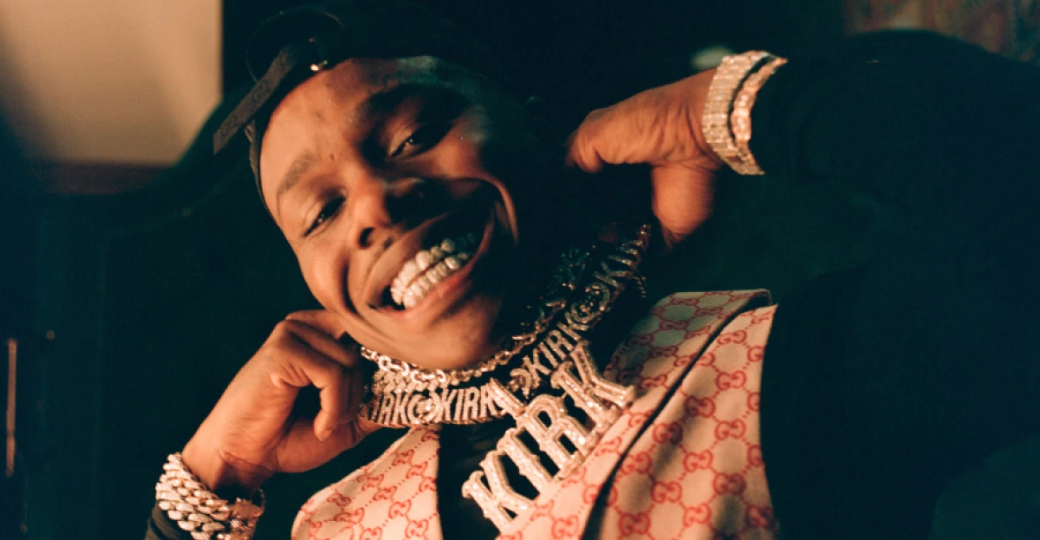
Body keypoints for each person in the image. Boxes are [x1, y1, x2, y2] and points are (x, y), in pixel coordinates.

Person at [144, 2, 1040, 539]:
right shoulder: (337, 522)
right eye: (321, 212)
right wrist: (213, 473)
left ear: (533, 133)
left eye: (415, 135)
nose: (376, 202)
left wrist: (737, 107)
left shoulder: (771, 374)